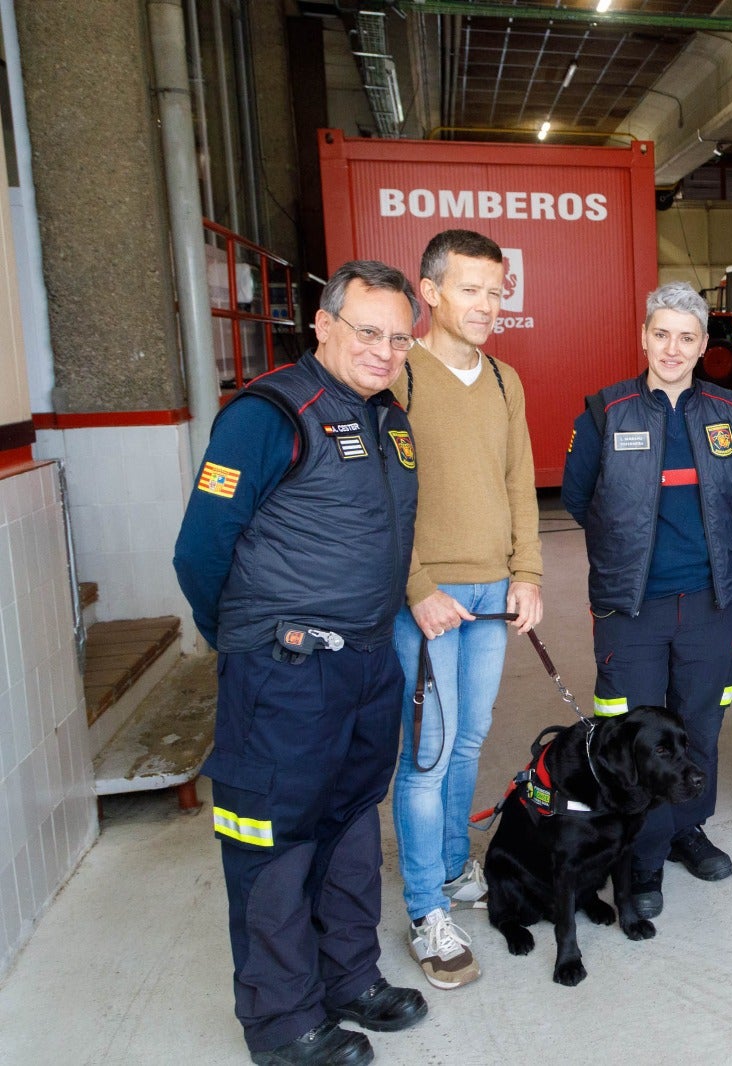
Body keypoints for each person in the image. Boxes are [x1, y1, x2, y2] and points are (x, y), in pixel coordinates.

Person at [173, 260, 429, 1066]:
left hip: (365, 663)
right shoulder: (269, 413)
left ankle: (347, 977)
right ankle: (282, 1025)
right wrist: (248, 642)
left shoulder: (388, 418)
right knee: (272, 843)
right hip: (285, 674)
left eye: (398, 336)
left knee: (351, 826)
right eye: (368, 331)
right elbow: (200, 551)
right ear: (323, 325)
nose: (384, 350)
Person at [560, 281, 732, 919]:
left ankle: (686, 829)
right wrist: (624, 555)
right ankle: (639, 857)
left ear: (702, 347)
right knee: (631, 735)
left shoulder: (729, 412)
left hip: (710, 602)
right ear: (643, 337)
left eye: (687, 337)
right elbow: (580, 498)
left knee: (699, 726)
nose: (672, 348)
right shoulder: (606, 412)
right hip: (631, 608)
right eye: (661, 334)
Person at [391, 229, 542, 991]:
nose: (488, 304)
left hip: (491, 593)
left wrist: (528, 572)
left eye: (497, 289)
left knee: (470, 737)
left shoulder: (507, 380)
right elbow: (380, 501)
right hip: (427, 599)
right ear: (431, 291)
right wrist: (417, 586)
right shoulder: (400, 377)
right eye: (472, 289)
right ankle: (425, 909)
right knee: (427, 752)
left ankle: (453, 868)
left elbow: (520, 481)